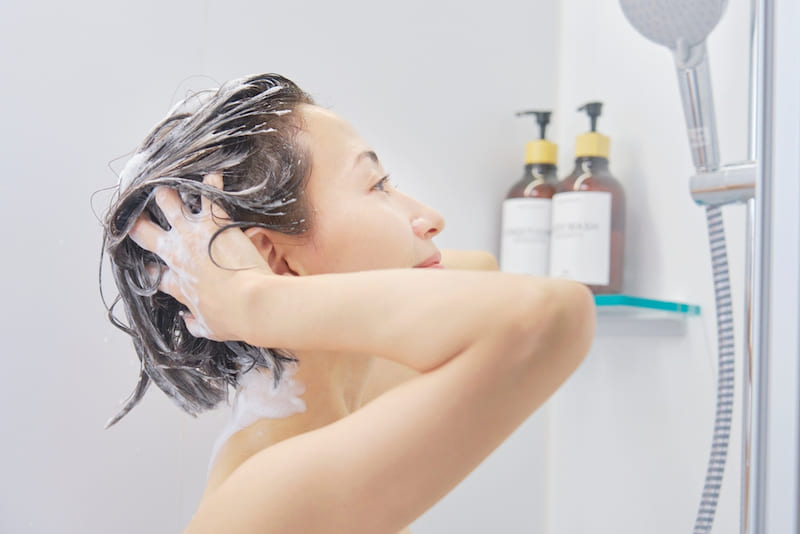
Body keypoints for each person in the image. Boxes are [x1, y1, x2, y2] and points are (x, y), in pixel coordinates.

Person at [102, 73, 596, 534]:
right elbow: (549, 315)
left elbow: (483, 273)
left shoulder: (344, 382)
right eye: (377, 185)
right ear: (274, 257)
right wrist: (254, 299)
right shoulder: (269, 492)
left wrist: (257, 295)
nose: (431, 217)